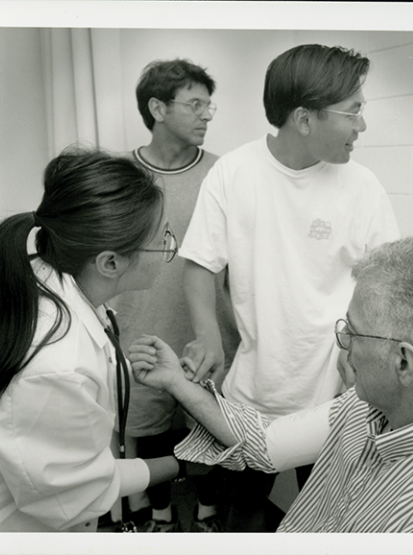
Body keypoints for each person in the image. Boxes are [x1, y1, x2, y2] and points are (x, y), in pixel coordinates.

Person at [129, 235, 413, 533]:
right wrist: (177, 382)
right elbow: (267, 443)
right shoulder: (368, 407)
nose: (341, 343)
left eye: (354, 332)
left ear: (404, 362)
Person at [180, 43, 400, 530]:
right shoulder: (234, 173)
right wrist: (208, 335)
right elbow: (199, 264)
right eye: (354, 111)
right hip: (253, 390)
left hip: (334, 395)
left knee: (328, 518)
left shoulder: (362, 186)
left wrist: (364, 360)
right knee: (244, 512)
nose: (361, 125)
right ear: (304, 119)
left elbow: (387, 281)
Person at [0, 148, 202, 532]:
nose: (170, 247)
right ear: (110, 262)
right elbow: (77, 496)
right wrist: (185, 464)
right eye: (164, 238)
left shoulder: (56, 284)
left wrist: (122, 368)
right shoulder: (58, 364)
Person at [109, 58, 238, 533]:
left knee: (207, 432)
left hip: (207, 335)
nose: (207, 115)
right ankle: (160, 519)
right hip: (140, 334)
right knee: (153, 438)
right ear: (157, 108)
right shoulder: (121, 175)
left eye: (210, 105)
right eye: (195, 104)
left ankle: (206, 516)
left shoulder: (224, 175)